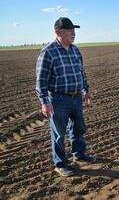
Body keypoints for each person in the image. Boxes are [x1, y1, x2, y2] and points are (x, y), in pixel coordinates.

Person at [36, 17, 95, 177]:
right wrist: (44, 102)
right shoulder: (48, 52)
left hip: (76, 97)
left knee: (78, 128)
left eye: (74, 30)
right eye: (70, 30)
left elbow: (81, 73)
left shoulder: (75, 50)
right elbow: (41, 81)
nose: (73, 33)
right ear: (58, 32)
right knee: (59, 133)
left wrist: (86, 91)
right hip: (58, 99)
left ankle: (79, 154)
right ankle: (60, 163)